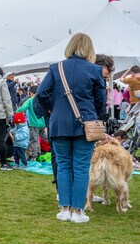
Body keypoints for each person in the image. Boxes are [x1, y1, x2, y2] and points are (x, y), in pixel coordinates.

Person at [36, 33, 107, 223]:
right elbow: (101, 102)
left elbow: (41, 94)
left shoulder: (56, 68)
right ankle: (78, 211)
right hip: (87, 125)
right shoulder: (95, 70)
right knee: (82, 167)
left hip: (59, 123)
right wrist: (97, 116)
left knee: (64, 166)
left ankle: (64, 208)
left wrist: (54, 107)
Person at [15, 85, 46, 160]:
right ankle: (53, 147)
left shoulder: (30, 100)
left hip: (33, 124)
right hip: (43, 124)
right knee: (45, 137)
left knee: (34, 140)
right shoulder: (42, 100)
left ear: (31, 93)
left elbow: (23, 108)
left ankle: (34, 155)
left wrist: (16, 112)